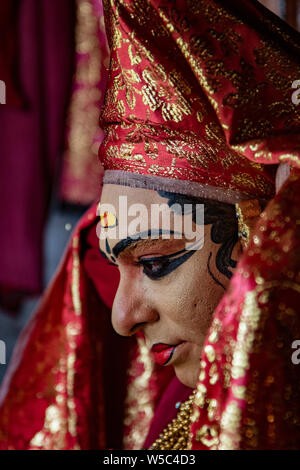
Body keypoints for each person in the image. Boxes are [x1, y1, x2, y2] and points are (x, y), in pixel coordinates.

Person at [0, 0, 299, 450]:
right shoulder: (177, 405)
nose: (122, 319)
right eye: (115, 265)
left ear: (264, 231)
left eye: (156, 262)